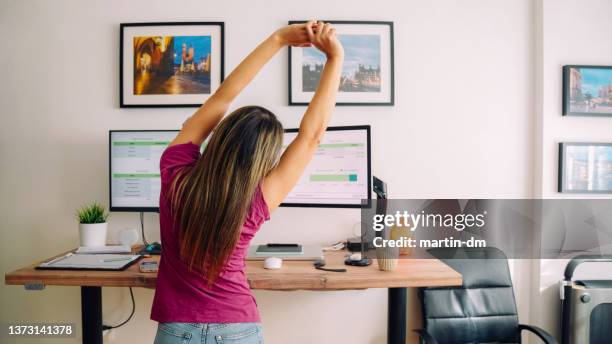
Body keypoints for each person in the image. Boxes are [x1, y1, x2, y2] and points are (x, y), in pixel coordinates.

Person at [151, 21, 344, 344]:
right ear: (264, 160)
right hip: (236, 328)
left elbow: (222, 98)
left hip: (176, 328)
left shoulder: (175, 172)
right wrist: (335, 59)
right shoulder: (259, 198)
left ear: (221, 135)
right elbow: (311, 136)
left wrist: (278, 39)